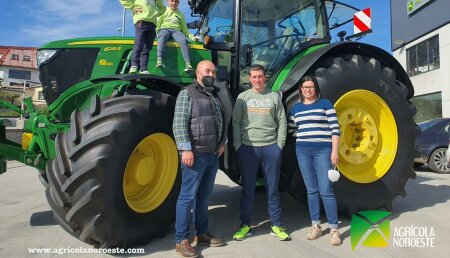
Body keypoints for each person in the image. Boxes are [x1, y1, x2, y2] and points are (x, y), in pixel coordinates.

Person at [173, 60, 226, 257]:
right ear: (197, 73)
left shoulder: (214, 95)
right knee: (187, 196)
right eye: (207, 70)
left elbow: (220, 120)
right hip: (195, 154)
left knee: (204, 197)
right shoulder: (188, 93)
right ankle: (181, 239)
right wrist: (185, 149)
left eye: (213, 70)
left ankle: (202, 233)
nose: (211, 73)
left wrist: (223, 142)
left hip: (212, 154)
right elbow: (179, 123)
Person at [232, 64, 289, 241]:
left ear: (265, 77)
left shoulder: (273, 97)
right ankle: (245, 225)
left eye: (260, 76)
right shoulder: (243, 97)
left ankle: (276, 224)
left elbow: (282, 121)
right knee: (248, 188)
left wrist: (279, 145)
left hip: (271, 147)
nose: (257, 80)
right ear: (249, 78)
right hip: (248, 148)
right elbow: (236, 122)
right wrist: (238, 145)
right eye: (254, 77)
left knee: (272, 189)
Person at [288, 75, 342, 246]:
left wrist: (334, 151)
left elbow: (335, 129)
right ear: (301, 89)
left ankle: (334, 229)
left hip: (323, 150)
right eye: (304, 87)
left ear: (316, 88)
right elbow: (292, 129)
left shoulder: (325, 104)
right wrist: (305, 136)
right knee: (311, 190)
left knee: (326, 189)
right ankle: (316, 225)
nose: (307, 90)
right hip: (303, 150)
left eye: (310, 87)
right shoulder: (296, 109)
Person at [119, 0, 165, 74]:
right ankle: (134, 66)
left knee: (147, 48)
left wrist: (157, 13)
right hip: (141, 21)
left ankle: (143, 69)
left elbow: (163, 8)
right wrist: (133, 7)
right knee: (138, 44)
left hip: (153, 24)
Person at [156, 0, 194, 72]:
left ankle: (188, 64)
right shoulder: (163, 11)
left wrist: (192, 37)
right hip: (165, 29)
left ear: (178, 3)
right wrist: (157, 33)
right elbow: (158, 23)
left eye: (176, 1)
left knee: (183, 40)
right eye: (172, 1)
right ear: (168, 1)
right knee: (162, 36)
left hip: (176, 30)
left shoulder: (180, 14)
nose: (174, 3)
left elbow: (185, 29)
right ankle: (159, 59)